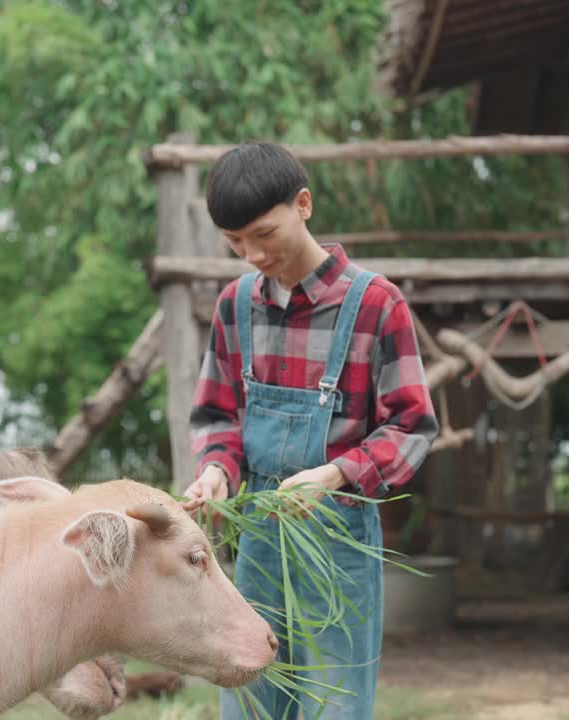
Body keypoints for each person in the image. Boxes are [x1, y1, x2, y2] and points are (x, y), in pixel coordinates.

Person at [184, 142, 439, 719]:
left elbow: (412, 425)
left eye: (262, 233)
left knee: (335, 704)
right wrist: (217, 471)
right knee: (252, 697)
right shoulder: (235, 305)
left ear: (303, 205)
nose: (251, 254)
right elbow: (217, 414)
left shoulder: (377, 304)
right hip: (258, 539)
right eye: (234, 241)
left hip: (338, 536)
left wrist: (331, 475)